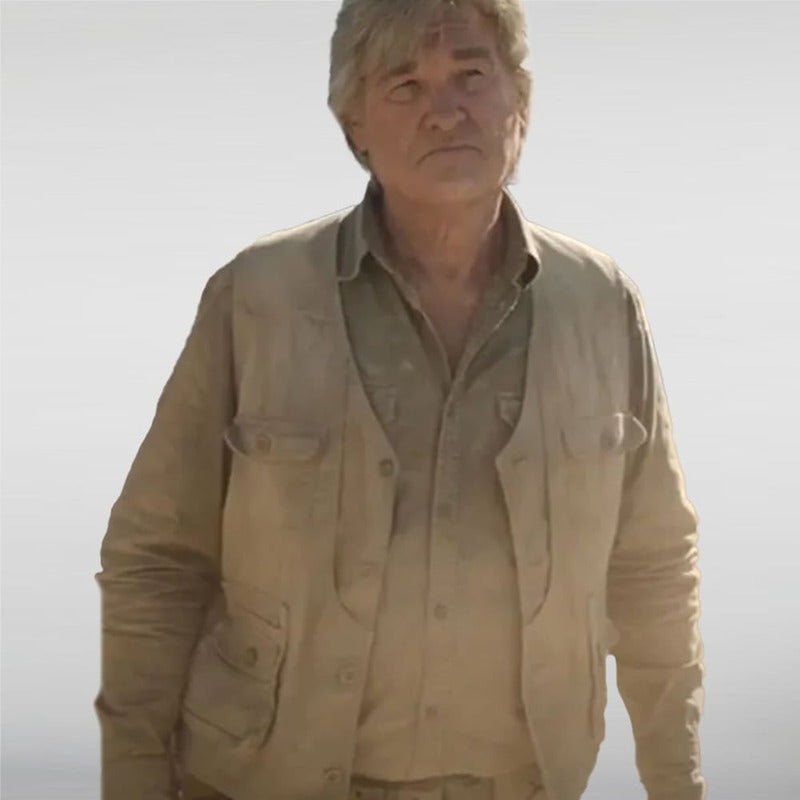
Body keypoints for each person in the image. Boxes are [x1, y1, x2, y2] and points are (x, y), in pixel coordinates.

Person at [93, 1, 705, 799]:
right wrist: (134, 780)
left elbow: (654, 566)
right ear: (355, 125)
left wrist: (677, 782)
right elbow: (157, 561)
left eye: (472, 75)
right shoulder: (258, 299)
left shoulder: (601, 304)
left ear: (519, 100)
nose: (445, 111)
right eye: (406, 85)